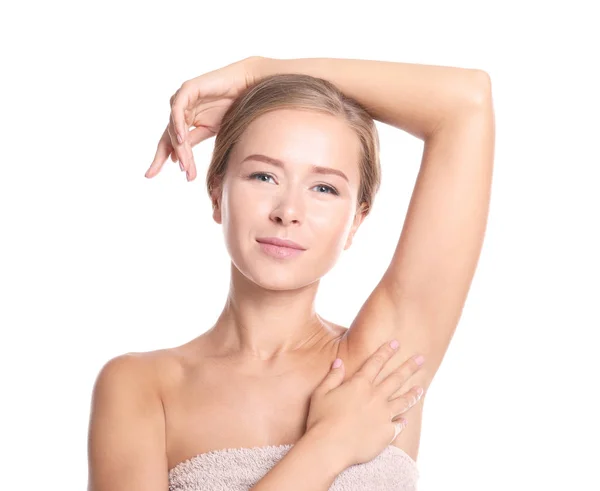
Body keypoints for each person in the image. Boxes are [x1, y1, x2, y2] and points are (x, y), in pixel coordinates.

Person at [87, 56, 495, 490]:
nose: (288, 212)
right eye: (264, 176)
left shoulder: (381, 361)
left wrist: (258, 74)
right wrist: (329, 444)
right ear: (216, 194)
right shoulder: (142, 388)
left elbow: (465, 103)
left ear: (356, 221)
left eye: (324, 188)